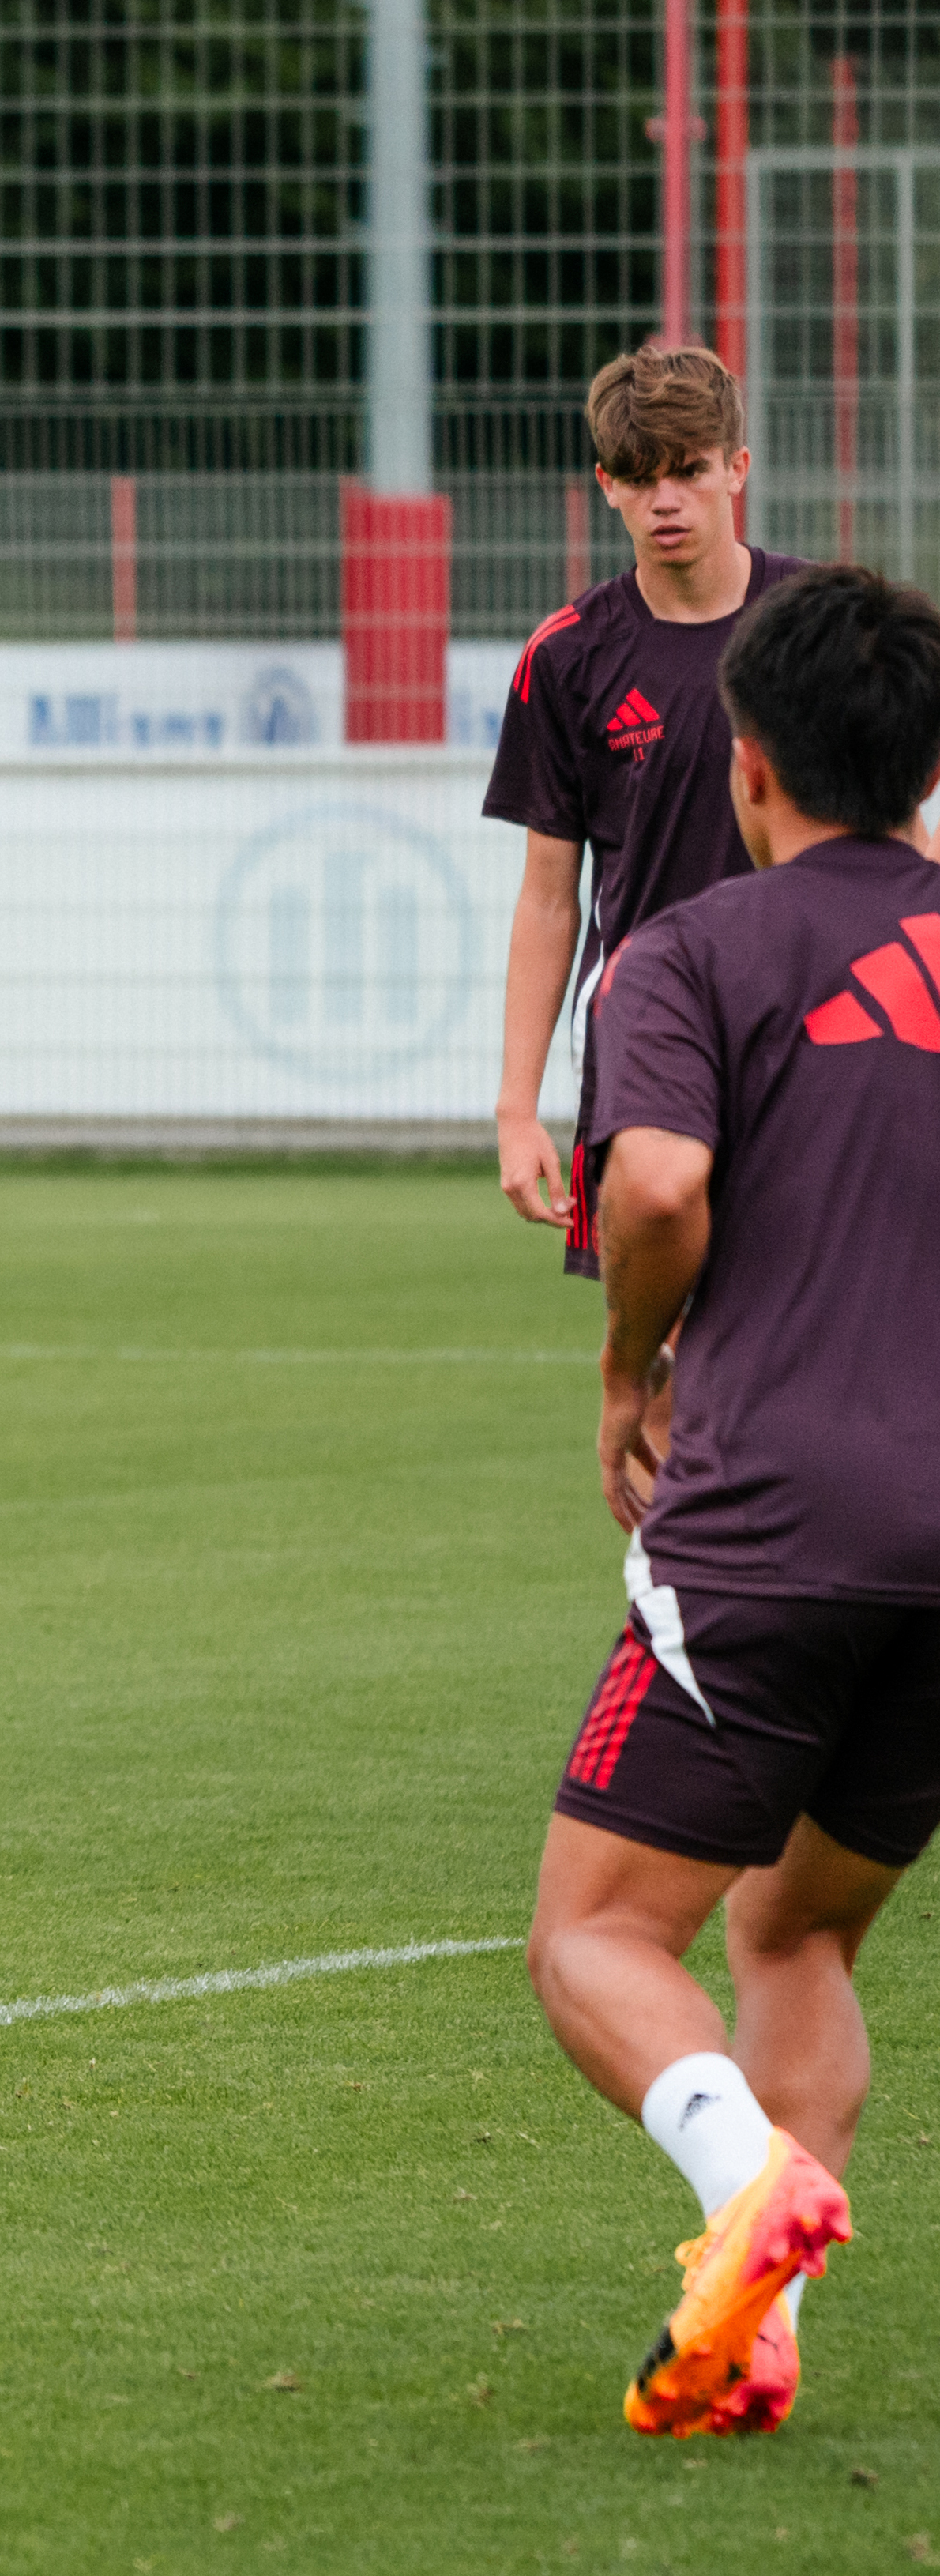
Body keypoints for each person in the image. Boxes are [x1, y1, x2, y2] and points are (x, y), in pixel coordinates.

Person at [521, 562, 940, 2439]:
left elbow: (658, 1187)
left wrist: (630, 1356)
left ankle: (739, 2185)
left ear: (742, 762)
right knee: (790, 1926)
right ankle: (745, 2328)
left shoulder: (686, 949)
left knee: (595, 1934)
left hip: (766, 1521)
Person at [485, 345, 805, 1273]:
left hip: (806, 1021)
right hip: (644, 1031)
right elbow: (549, 897)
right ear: (606, 486)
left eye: (689, 471)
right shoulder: (564, 657)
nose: (665, 499)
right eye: (638, 476)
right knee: (662, 1352)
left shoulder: (821, 622)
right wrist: (515, 1108)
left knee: (808, 1332)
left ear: (734, 471)